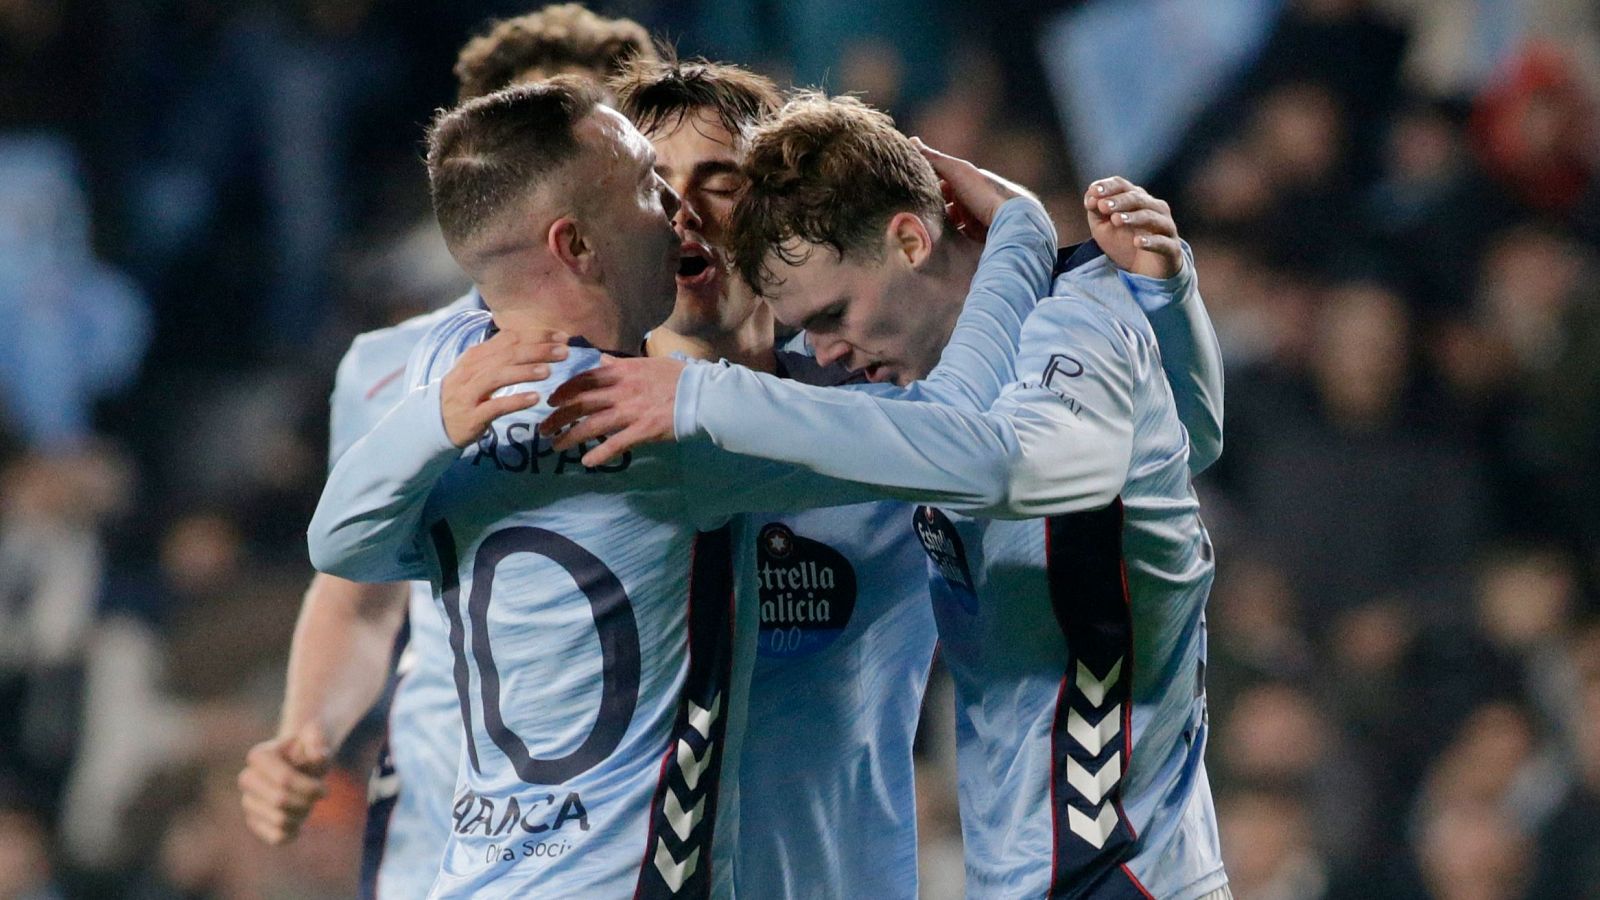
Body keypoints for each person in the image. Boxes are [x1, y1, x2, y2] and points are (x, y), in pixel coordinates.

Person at [306, 78, 1062, 897]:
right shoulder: (680, 440)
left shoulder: (462, 370)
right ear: (580, 241)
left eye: (719, 182)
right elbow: (968, 441)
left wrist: (427, 419)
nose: (678, 211)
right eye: (649, 181)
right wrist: (1020, 230)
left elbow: (344, 543)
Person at [541, 93, 1230, 898]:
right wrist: (1161, 293)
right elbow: (1188, 439)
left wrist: (702, 398)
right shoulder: (912, 399)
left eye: (834, 313)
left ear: (910, 238)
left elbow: (1012, 463)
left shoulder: (1075, 326)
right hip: (1034, 874)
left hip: (1122, 871)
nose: (828, 351)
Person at [235, 7, 656, 899]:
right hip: (448, 806)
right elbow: (360, 597)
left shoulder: (680, 362)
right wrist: (306, 732)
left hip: (631, 819)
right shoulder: (389, 367)